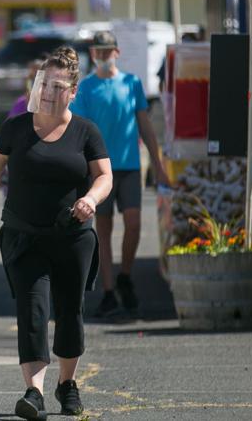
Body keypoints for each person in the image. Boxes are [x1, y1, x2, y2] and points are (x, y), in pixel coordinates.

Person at [0, 47, 112, 420]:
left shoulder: (85, 132)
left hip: (73, 237)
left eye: (58, 86)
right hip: (24, 237)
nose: (49, 92)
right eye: (44, 83)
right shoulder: (16, 128)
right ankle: (34, 392)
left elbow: (104, 176)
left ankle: (67, 384)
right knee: (33, 311)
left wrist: (90, 198)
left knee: (70, 312)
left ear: (73, 92)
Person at [71, 30, 170, 320]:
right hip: (99, 169)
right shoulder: (86, 88)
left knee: (134, 222)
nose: (102, 56)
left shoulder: (131, 83)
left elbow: (146, 126)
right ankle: (109, 289)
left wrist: (159, 164)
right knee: (103, 230)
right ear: (92, 54)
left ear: (116, 52)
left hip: (128, 166)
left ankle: (125, 275)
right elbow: (80, 130)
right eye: (97, 52)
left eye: (107, 51)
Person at [7, 53, 48, 120]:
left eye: (37, 69)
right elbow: (28, 91)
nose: (35, 71)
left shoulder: (45, 80)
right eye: (33, 68)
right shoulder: (29, 79)